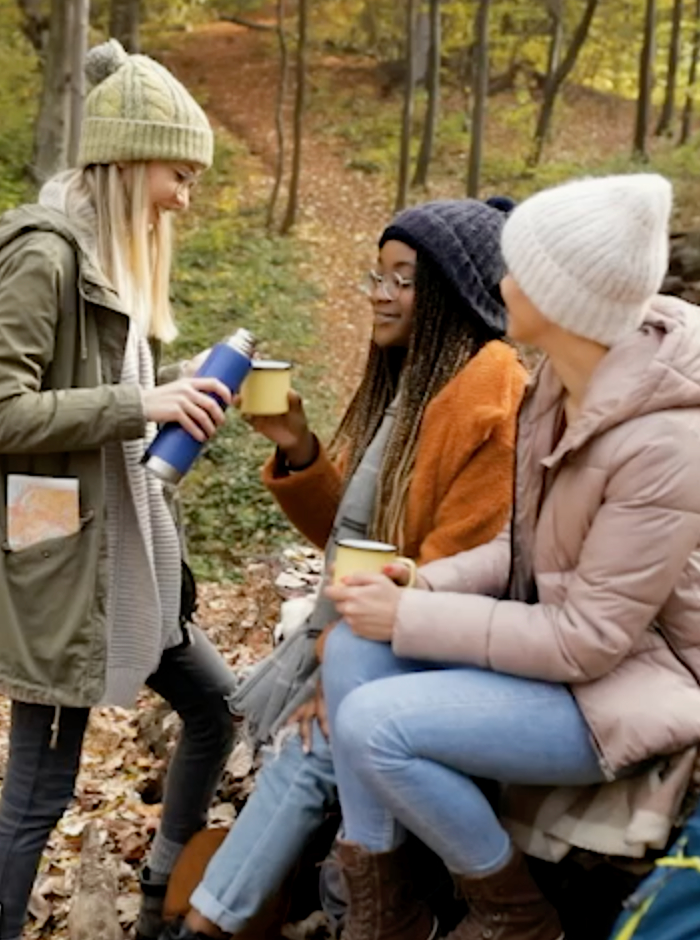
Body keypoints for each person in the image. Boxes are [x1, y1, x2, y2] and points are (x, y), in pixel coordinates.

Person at [321, 173, 700, 940]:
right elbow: (520, 546)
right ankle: (386, 911)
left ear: (568, 299)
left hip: (655, 692)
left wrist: (418, 616)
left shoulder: (665, 444)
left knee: (375, 725)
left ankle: (516, 919)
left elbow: (586, 640)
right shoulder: (561, 383)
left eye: (521, 269)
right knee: (353, 649)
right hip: (578, 660)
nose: (501, 282)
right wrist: (423, 580)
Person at [161, 199, 529, 940]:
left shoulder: (489, 397)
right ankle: (236, 915)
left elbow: (446, 572)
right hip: (377, 629)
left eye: (406, 280)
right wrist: (299, 448)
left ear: (458, 294)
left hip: (448, 644)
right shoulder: (412, 387)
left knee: (317, 740)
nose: (380, 293)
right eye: (378, 273)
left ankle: (210, 924)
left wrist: (344, 671)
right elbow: (352, 540)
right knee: (313, 739)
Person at [0, 40, 239, 940]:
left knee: (215, 707)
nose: (186, 197)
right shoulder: (45, 256)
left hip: (121, 560)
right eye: (179, 175)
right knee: (38, 788)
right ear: (130, 159)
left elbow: (90, 391)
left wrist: (171, 384)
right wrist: (141, 400)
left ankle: (161, 894)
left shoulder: (103, 257)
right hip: (60, 563)